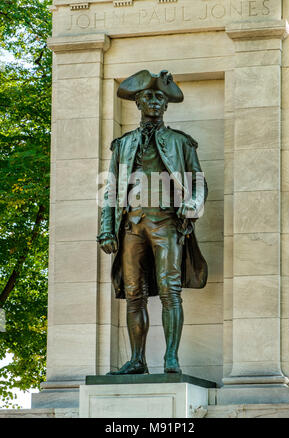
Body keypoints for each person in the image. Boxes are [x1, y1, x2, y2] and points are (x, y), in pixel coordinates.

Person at [97, 70, 208, 375]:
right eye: (148, 96)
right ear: (138, 102)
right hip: (132, 226)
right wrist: (106, 228)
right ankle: (137, 360)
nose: (155, 102)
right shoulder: (123, 144)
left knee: (171, 290)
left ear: (166, 105)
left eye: (160, 97)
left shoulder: (180, 142)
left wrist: (193, 203)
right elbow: (110, 188)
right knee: (134, 294)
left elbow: (199, 183)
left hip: (167, 224)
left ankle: (171, 358)